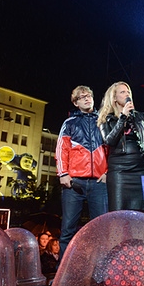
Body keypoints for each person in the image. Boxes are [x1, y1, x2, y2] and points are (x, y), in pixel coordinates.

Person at [56, 85, 108, 257]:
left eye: (89, 96)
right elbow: (61, 148)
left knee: (101, 229)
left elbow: (110, 149)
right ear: (76, 102)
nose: (87, 99)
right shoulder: (69, 122)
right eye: (82, 97)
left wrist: (108, 172)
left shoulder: (103, 121)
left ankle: (100, 272)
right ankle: (63, 274)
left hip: (99, 182)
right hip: (74, 182)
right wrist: (63, 173)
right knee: (68, 230)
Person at [97, 81, 144, 212]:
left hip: (140, 170)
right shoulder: (105, 119)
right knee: (119, 215)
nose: (126, 94)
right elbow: (109, 140)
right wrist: (123, 117)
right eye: (122, 92)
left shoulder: (141, 117)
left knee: (141, 216)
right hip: (119, 172)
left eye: (128, 92)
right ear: (114, 98)